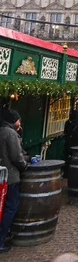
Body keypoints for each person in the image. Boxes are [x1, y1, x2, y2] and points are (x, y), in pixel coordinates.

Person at [0, 109, 29, 254]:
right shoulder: (10, 133)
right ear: (14, 120)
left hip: (3, 175)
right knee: (10, 207)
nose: (20, 123)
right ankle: (1, 238)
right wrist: (24, 166)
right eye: (18, 120)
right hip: (10, 176)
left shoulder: (2, 131)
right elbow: (17, 156)